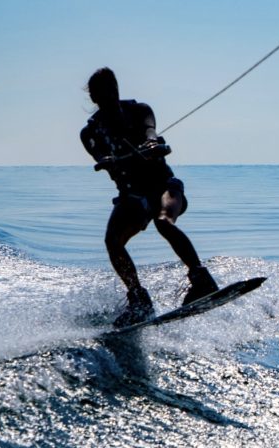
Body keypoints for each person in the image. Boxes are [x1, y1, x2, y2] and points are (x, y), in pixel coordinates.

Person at [80, 67, 218, 327]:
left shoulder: (140, 110)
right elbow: (98, 156)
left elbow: (149, 130)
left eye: (113, 91)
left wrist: (152, 143)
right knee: (113, 240)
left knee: (164, 221)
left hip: (164, 186)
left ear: (117, 89)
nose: (110, 98)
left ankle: (202, 280)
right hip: (132, 197)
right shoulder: (90, 133)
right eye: (103, 94)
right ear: (94, 99)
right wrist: (105, 160)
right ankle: (138, 298)